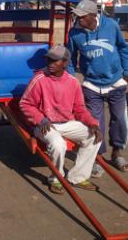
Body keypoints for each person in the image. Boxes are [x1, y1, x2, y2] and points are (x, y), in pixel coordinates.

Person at [20, 44, 102, 194]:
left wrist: (93, 123)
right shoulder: (39, 79)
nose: (50, 64)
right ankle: (56, 178)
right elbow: (25, 104)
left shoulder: (72, 82)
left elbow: (79, 108)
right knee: (58, 144)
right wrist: (41, 119)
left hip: (67, 122)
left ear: (65, 63)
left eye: (54, 61)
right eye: (48, 60)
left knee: (94, 137)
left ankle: (77, 177)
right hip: (45, 124)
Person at [67, 0, 128, 174]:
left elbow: (124, 48)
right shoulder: (74, 33)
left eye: (82, 17)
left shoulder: (110, 26)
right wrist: (72, 81)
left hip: (116, 82)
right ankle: (97, 157)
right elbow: (71, 59)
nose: (78, 20)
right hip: (91, 85)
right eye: (77, 17)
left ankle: (117, 153)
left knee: (119, 120)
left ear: (93, 16)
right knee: (94, 123)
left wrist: (127, 72)